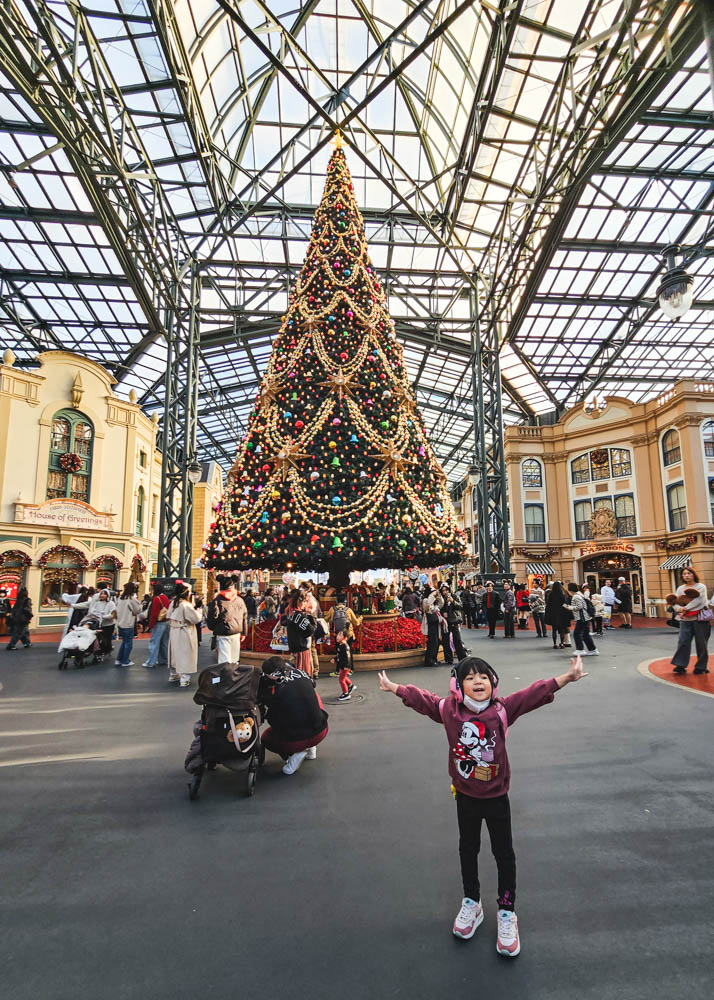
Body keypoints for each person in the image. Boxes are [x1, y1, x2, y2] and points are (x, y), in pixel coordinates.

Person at [378, 653, 588, 957]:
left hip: (497, 797)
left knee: (503, 853)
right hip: (465, 796)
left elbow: (533, 693)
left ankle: (506, 910)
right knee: (468, 849)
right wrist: (396, 688)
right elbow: (423, 700)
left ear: (493, 683)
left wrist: (566, 678)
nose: (478, 682)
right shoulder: (449, 711)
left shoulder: (502, 710)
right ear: (458, 685)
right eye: (470, 677)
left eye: (484, 676)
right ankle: (471, 903)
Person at [259, 655, 329, 773]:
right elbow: (312, 686)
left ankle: (294, 755)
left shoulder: (276, 691)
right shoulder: (302, 673)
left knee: (266, 737)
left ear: (271, 675)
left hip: (297, 740)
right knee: (312, 699)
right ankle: (311, 750)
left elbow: (273, 720)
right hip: (321, 730)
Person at [669, 567, 710, 675]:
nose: (686, 575)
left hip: (700, 619)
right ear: (682, 576)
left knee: (701, 643)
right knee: (683, 641)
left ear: (693, 575)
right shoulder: (680, 588)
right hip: (685, 619)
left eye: (689, 573)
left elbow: (699, 601)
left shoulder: (701, 587)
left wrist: (684, 609)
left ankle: (701, 667)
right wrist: (679, 609)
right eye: (684, 574)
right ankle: (680, 665)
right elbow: (675, 601)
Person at [166, 581, 202, 687]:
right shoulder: (186, 605)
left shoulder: (173, 602)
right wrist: (199, 612)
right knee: (186, 654)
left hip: (174, 631)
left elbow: (169, 615)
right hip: (185, 632)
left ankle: (173, 674)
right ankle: (184, 678)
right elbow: (195, 618)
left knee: (174, 653)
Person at [206, 574, 248, 663]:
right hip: (237, 632)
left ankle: (225, 676)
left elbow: (212, 618)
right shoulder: (240, 600)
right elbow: (244, 617)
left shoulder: (217, 600)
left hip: (223, 632)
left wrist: (214, 628)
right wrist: (244, 632)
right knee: (235, 659)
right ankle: (234, 675)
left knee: (224, 660)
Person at [286, 588, 317, 677]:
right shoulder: (300, 616)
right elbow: (310, 630)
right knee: (303, 674)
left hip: (295, 649)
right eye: (305, 601)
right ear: (301, 602)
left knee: (296, 675)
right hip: (302, 651)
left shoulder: (292, 613)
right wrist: (312, 620)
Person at [564, 583, 598, 656]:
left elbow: (579, 607)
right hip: (585, 617)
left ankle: (580, 649)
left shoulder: (575, 596)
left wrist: (569, 607)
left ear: (570, 590)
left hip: (582, 617)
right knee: (585, 634)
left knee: (577, 633)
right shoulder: (580, 594)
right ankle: (592, 649)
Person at [115, 582, 142, 666]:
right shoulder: (131, 599)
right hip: (128, 623)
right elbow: (137, 610)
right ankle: (125, 661)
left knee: (124, 642)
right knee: (128, 644)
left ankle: (119, 659)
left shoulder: (120, 598)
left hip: (120, 623)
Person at [143, 582, 170, 669]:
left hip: (159, 623)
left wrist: (150, 625)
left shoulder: (156, 599)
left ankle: (150, 662)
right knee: (164, 642)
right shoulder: (165, 597)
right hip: (167, 622)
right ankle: (164, 659)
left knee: (154, 642)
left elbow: (154, 614)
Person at [422, 585, 449, 665]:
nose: (435, 593)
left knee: (436, 642)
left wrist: (439, 596)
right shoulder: (426, 600)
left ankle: (434, 659)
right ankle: (429, 660)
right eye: (433, 592)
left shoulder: (435, 602)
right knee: (432, 642)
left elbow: (442, 604)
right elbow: (427, 606)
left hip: (437, 624)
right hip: (430, 625)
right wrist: (432, 596)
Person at [300, 582, 322, 680]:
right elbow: (320, 613)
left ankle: (311, 671)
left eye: (302, 588)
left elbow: (305, 612)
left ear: (306, 589)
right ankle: (316, 671)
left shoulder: (306, 599)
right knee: (313, 649)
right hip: (314, 625)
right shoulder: (315, 599)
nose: (300, 589)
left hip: (307, 626)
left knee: (308, 649)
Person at [440, 584, 468, 660]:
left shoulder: (454, 596)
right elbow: (439, 608)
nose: (445, 592)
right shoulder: (441, 598)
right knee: (445, 641)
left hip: (454, 620)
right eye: (443, 591)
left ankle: (462, 657)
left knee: (457, 640)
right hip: (445, 622)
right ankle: (448, 658)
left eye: (446, 590)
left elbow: (460, 606)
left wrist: (453, 601)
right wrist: (443, 613)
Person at [544, 582, 572, 649]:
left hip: (553, 614)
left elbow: (548, 604)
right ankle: (562, 643)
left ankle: (555, 644)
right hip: (561, 614)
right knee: (562, 629)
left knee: (554, 630)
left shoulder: (551, 594)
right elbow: (564, 604)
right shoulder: (562, 595)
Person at [334, 630, 355, 701]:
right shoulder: (341, 645)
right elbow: (339, 655)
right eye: (338, 635)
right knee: (343, 677)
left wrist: (347, 666)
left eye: (340, 635)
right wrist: (335, 659)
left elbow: (348, 657)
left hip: (345, 666)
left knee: (341, 679)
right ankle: (350, 685)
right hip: (342, 665)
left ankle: (346, 694)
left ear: (345, 638)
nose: (337, 637)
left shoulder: (344, 646)